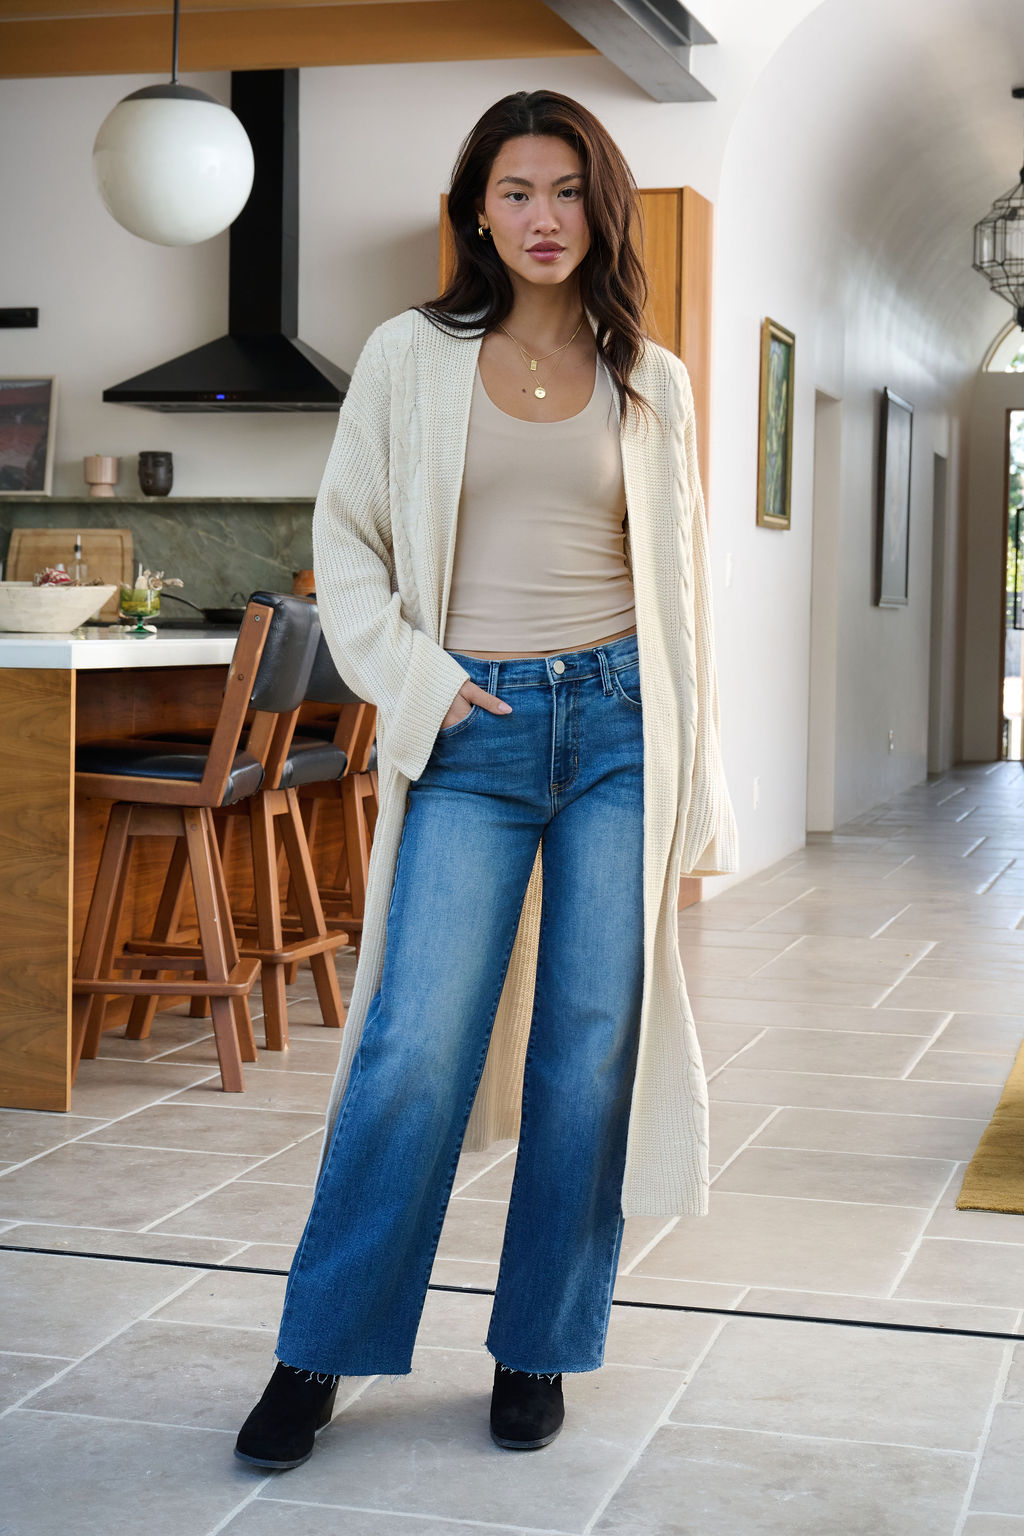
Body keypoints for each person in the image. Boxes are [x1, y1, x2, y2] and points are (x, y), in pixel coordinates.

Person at [235, 87, 738, 1471]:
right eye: (516, 192)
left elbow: (684, 599)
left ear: (602, 206)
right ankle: (321, 1346)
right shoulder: (410, 356)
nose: (543, 219)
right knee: (412, 1049)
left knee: (589, 1052)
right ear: (476, 210)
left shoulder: (657, 378)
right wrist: (417, 681)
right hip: (473, 729)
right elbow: (348, 553)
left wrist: (701, 792)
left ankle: (539, 1349)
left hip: (624, 726)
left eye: (568, 191)